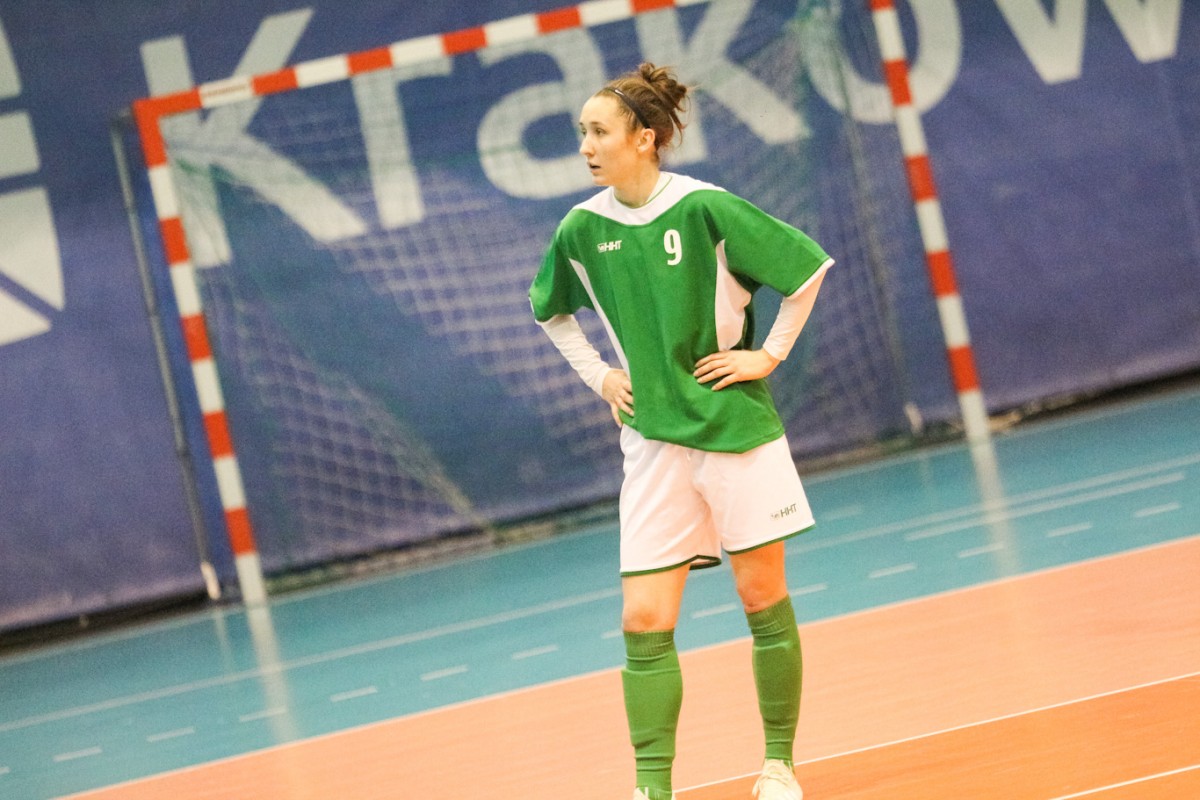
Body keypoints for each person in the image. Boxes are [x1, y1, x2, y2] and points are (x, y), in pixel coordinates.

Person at [529, 63, 832, 800]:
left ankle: (779, 765)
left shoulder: (706, 209)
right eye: (582, 133)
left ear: (645, 138)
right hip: (653, 442)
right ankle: (652, 788)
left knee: (761, 598)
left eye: (599, 132)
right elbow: (550, 311)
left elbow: (805, 271)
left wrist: (768, 354)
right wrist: (601, 377)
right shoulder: (581, 229)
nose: (586, 147)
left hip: (735, 429)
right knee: (643, 618)